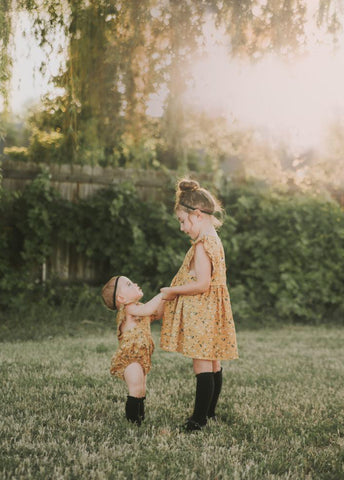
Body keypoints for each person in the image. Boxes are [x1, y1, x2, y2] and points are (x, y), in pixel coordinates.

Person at [160, 178, 238, 431]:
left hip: (203, 310)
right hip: (215, 308)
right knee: (214, 361)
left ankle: (198, 419)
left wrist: (172, 290)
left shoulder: (204, 245)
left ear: (196, 215)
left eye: (183, 221)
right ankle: (210, 413)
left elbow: (202, 284)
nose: (182, 228)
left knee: (202, 363)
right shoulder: (214, 239)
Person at [101, 275, 164, 426]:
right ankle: (132, 422)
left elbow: (157, 313)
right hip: (130, 358)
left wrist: (166, 300)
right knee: (136, 387)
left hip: (141, 357)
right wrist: (163, 294)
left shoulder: (138, 308)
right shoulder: (129, 309)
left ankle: (139, 418)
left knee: (141, 389)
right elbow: (149, 308)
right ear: (122, 299)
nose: (135, 283)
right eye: (129, 284)